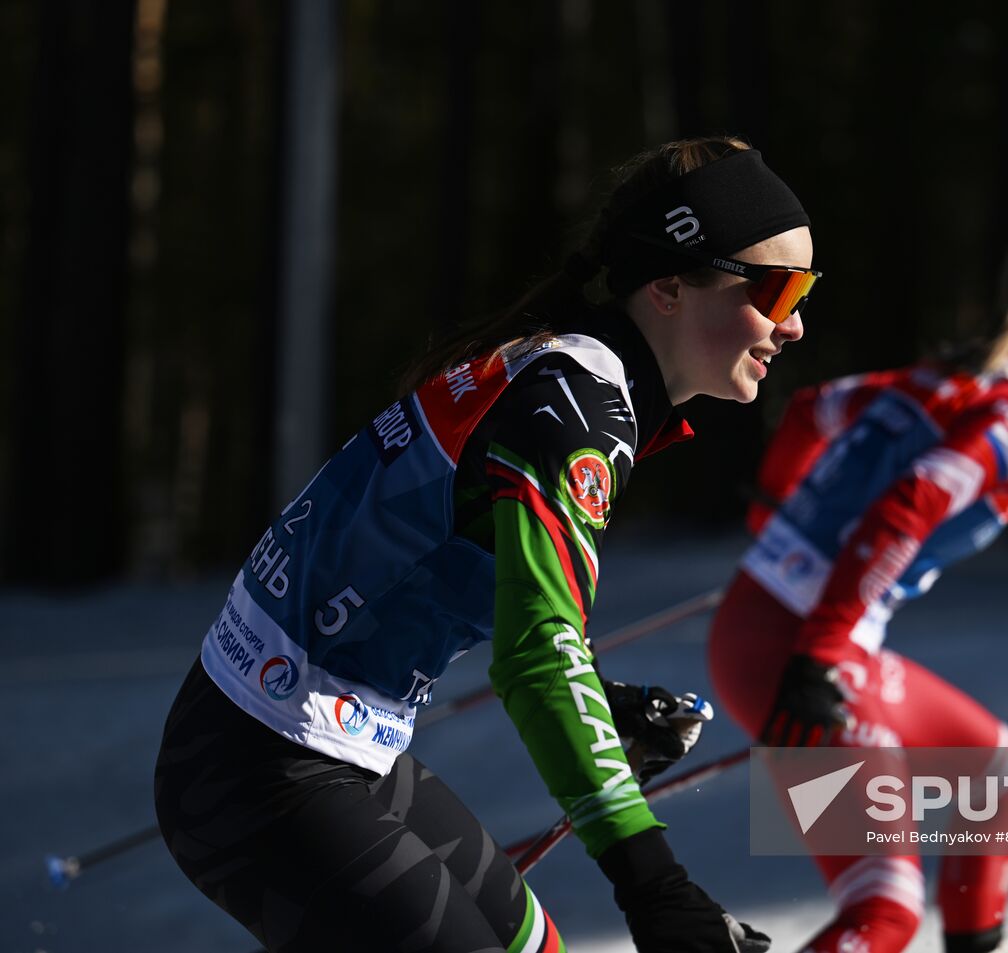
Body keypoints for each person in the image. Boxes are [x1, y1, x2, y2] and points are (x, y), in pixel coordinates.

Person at [154, 136, 819, 953]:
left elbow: (467, 593)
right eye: (777, 289)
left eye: (804, 289)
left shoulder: (572, 378)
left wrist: (603, 707)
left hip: (332, 735)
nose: (794, 325)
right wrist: (659, 889)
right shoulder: (574, 409)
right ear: (670, 284)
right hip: (267, 756)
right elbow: (539, 658)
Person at [707, 220, 1008, 953]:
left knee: (998, 772)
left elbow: (810, 410)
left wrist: (778, 533)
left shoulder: (963, 373)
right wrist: (820, 649)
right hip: (800, 650)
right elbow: (913, 501)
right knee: (885, 912)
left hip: (781, 625)